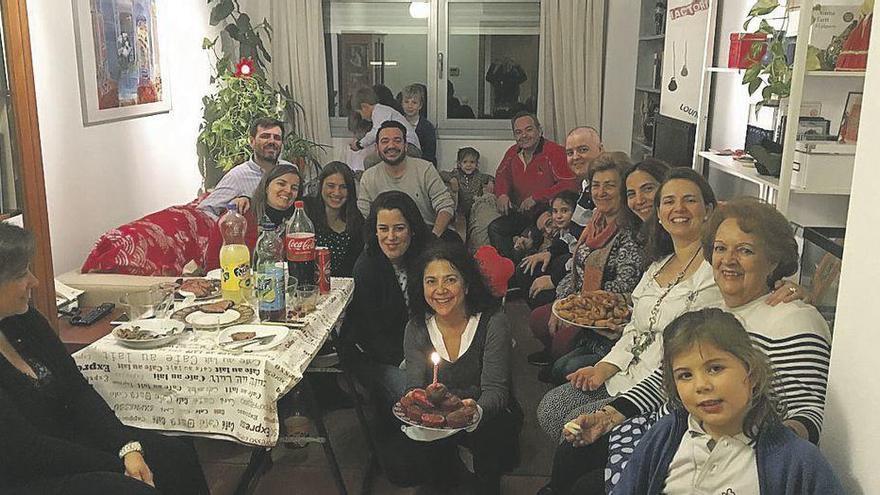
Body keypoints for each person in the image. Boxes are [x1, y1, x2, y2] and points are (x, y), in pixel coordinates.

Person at [552, 198, 821, 495]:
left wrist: (751, 453)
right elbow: (664, 379)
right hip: (673, 431)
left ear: (773, 260)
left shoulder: (793, 319)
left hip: (731, 453)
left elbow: (807, 413)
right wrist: (608, 416)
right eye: (720, 248)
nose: (728, 260)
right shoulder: (717, 310)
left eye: (745, 250)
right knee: (572, 453)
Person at [0, 223, 209, 495]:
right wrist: (117, 462)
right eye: (20, 274)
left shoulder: (24, 320)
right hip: (25, 475)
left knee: (174, 453)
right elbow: (24, 450)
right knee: (130, 487)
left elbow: (78, 391)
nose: (34, 281)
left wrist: (127, 446)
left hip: (71, 443)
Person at [615, 308, 842, 494]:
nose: (701, 385)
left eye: (715, 368)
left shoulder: (796, 460)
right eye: (685, 375)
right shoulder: (665, 436)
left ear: (751, 374)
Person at [386, 241, 521, 494]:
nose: (440, 290)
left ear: (467, 284)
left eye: (450, 280)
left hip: (485, 415)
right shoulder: (416, 327)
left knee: (489, 452)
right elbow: (415, 385)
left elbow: (496, 391)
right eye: (431, 281)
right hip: (437, 419)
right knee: (399, 464)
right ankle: (447, 467)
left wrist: (474, 411)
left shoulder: (493, 323)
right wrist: (414, 400)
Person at [526, 154, 645, 379]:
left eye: (609, 185)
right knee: (540, 318)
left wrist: (575, 309)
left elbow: (620, 291)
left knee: (562, 358)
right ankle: (557, 359)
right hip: (583, 298)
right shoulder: (597, 220)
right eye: (596, 186)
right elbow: (577, 266)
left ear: (623, 189)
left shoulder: (629, 232)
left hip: (607, 315)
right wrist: (561, 304)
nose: (600, 192)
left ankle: (561, 364)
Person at [341, 191, 431, 414]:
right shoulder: (366, 267)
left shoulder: (429, 256)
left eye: (399, 228)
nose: (391, 237)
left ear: (412, 228)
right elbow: (371, 336)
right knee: (420, 401)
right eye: (383, 229)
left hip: (428, 348)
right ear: (374, 230)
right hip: (380, 356)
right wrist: (414, 365)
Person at [489, 112, 575, 259]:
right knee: (495, 228)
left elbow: (570, 184)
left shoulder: (555, 152)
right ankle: (508, 267)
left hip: (545, 213)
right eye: (518, 132)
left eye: (529, 130)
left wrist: (536, 197)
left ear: (539, 131)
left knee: (525, 242)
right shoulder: (512, 152)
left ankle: (518, 270)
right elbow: (501, 175)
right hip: (520, 212)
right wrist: (502, 194)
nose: (524, 135)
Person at [357, 121, 458, 242]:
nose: (391, 146)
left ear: (405, 146)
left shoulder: (425, 169)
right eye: (385, 141)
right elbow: (363, 216)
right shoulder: (368, 177)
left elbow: (446, 206)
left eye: (397, 140)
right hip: (388, 238)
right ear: (377, 148)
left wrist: (433, 238)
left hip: (426, 234)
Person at [205, 164, 301, 270]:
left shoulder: (298, 222)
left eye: (294, 188)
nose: (288, 191)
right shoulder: (240, 214)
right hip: (235, 282)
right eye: (281, 184)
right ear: (266, 186)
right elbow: (212, 263)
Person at [198, 117, 295, 217]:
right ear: (252, 141)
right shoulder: (237, 176)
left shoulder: (290, 170)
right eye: (265, 136)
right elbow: (205, 210)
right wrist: (227, 224)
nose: (272, 141)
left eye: (277, 138)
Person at [514, 190, 579, 309]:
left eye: (564, 211)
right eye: (555, 211)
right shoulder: (550, 238)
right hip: (558, 270)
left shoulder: (577, 230)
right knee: (524, 267)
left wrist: (553, 279)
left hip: (571, 273)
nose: (548, 231)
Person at [304, 162, 364, 277]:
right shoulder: (306, 210)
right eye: (331, 186)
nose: (337, 193)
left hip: (343, 288)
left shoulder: (357, 220)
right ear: (321, 186)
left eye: (343, 187)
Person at [349, 86, 421, 168]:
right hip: (404, 145)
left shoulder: (379, 112)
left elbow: (375, 132)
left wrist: (359, 145)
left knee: (370, 162)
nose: (362, 117)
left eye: (360, 113)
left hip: (409, 148)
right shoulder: (384, 111)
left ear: (364, 106)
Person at [563, 127, 605, 230]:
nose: (575, 157)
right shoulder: (586, 184)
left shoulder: (606, 189)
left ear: (601, 150)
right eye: (570, 153)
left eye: (583, 150)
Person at [443, 147, 493, 221]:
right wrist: (452, 180)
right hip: (459, 211)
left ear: (476, 164)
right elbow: (441, 174)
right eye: (465, 162)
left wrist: (490, 182)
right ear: (459, 164)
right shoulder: (456, 174)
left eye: (472, 162)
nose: (468, 165)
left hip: (475, 211)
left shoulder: (479, 176)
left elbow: (490, 177)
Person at [622, 158, 670, 227]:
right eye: (631, 194)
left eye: (648, 189)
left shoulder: (682, 235)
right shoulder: (633, 234)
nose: (639, 201)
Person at [401, 84, 437, 166]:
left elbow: (430, 155)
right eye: (406, 102)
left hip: (421, 166)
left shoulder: (427, 127)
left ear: (420, 105)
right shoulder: (397, 123)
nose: (409, 106)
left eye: (414, 102)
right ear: (402, 103)